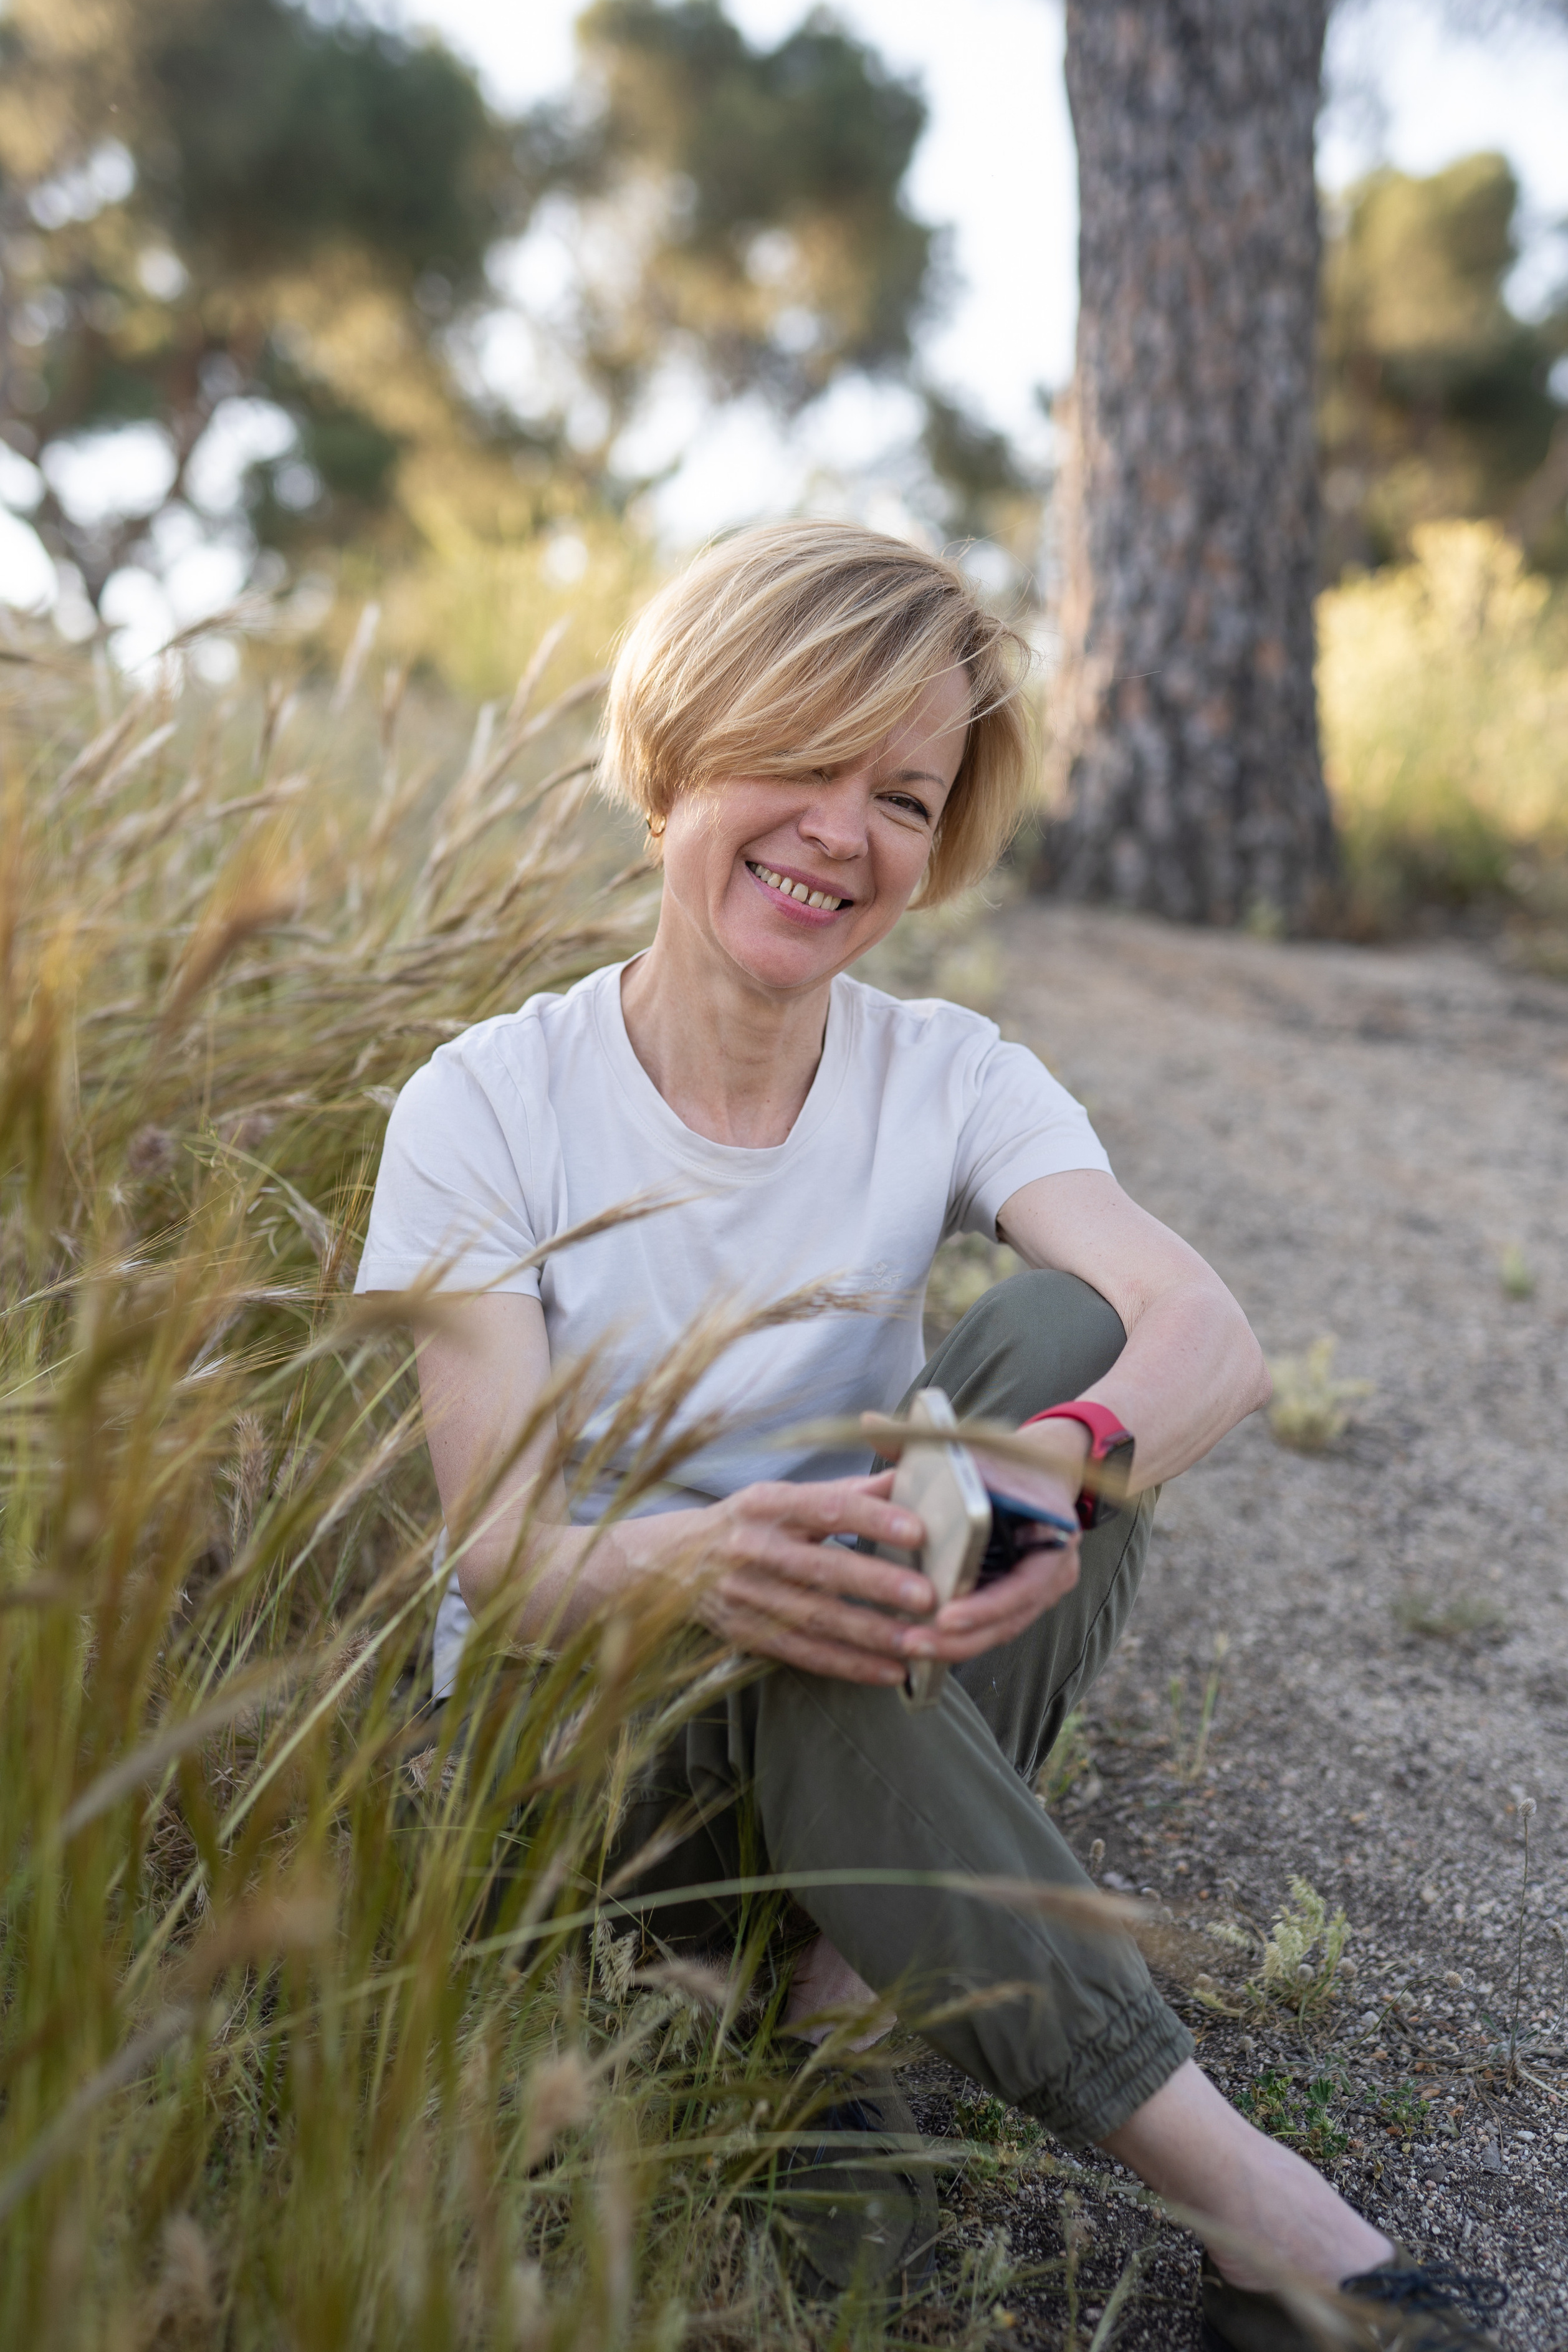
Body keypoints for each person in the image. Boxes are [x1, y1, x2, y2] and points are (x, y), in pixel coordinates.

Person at [356, 521, 1505, 2350]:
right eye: (796, 759)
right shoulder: (485, 1108)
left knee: (1066, 1352)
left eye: (899, 793)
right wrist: (724, 1562)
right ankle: (1256, 2210)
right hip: (578, 1788)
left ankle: (834, 2019)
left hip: (853, 1680)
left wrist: (1057, 1468)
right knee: (823, 1593)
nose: (840, 832)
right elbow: (502, 1548)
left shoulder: (949, 1071)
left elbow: (1206, 1332)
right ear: (675, 754)